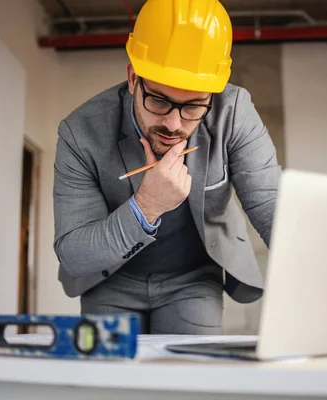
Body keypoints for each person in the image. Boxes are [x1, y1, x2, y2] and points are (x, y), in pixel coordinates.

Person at [53, 0, 281, 334]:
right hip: (110, 279)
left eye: (192, 106)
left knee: (189, 380)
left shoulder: (234, 113)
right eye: (158, 100)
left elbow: (272, 207)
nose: (173, 124)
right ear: (133, 78)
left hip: (193, 279)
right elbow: (73, 253)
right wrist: (146, 207)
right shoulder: (80, 132)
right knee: (112, 384)